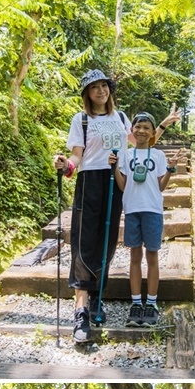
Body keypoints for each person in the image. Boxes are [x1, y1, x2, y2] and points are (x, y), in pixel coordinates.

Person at [54, 69, 130, 344]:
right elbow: (77, 155)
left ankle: (97, 296)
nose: (101, 90)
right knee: (84, 241)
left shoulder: (122, 118)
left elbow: (137, 143)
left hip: (116, 181)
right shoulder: (82, 119)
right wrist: (66, 165)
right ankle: (81, 309)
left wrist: (163, 126)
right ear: (87, 93)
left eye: (104, 85)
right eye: (94, 87)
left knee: (107, 241)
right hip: (90, 181)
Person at [110, 112, 174, 327]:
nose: (141, 131)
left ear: (153, 132)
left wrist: (170, 170)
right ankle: (136, 303)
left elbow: (161, 186)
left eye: (147, 128)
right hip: (132, 209)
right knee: (135, 256)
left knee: (152, 255)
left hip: (153, 209)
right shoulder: (126, 155)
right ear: (132, 130)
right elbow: (122, 185)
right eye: (138, 127)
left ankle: (152, 304)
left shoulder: (158, 155)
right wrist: (114, 167)